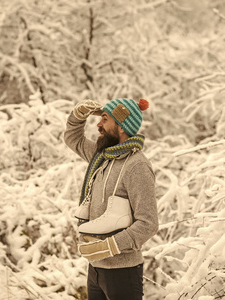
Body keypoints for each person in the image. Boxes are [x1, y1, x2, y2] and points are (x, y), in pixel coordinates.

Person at [64, 98, 158, 300]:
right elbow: (74, 139)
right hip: (96, 269)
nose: (98, 124)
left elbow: (148, 223)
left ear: (122, 126)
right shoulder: (102, 158)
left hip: (122, 272)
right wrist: (78, 115)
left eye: (104, 119)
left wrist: (110, 246)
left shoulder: (137, 166)